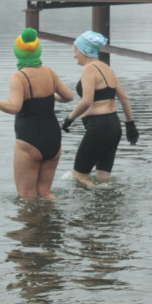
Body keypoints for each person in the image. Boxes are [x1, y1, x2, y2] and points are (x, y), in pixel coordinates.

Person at [0, 28, 74, 200]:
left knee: (26, 197)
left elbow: (14, 107)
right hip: (53, 138)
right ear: (38, 50)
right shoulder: (50, 72)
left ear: (18, 53)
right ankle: (56, 223)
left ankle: (31, 227)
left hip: (30, 140)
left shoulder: (19, 76)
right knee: (45, 193)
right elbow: (68, 97)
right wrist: (47, 97)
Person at [61, 31, 139, 188]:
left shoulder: (89, 69)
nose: (74, 55)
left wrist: (69, 120)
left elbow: (87, 101)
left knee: (79, 176)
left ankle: (95, 204)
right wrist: (130, 124)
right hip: (114, 126)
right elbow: (124, 98)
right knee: (103, 178)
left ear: (83, 50)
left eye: (75, 51)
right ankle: (106, 205)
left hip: (98, 127)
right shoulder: (107, 68)